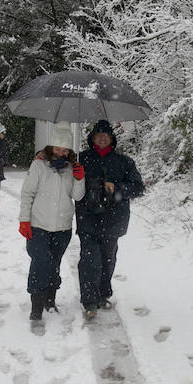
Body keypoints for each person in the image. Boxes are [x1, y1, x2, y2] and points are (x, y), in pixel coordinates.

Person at [19, 123, 85, 333]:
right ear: (50, 148)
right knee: (41, 261)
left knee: (54, 263)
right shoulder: (38, 165)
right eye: (57, 149)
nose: (61, 153)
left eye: (65, 150)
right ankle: (36, 306)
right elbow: (27, 193)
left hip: (62, 226)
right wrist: (24, 220)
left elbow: (77, 196)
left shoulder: (71, 168)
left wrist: (80, 178)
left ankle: (50, 300)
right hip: (38, 224)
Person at [75, 120, 144, 319]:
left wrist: (117, 188)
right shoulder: (81, 159)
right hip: (87, 218)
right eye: (98, 134)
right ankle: (89, 300)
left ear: (112, 139)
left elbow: (138, 188)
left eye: (106, 134)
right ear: (92, 138)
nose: (102, 137)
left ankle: (103, 294)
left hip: (114, 220)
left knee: (107, 259)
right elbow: (58, 163)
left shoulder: (124, 162)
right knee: (89, 260)